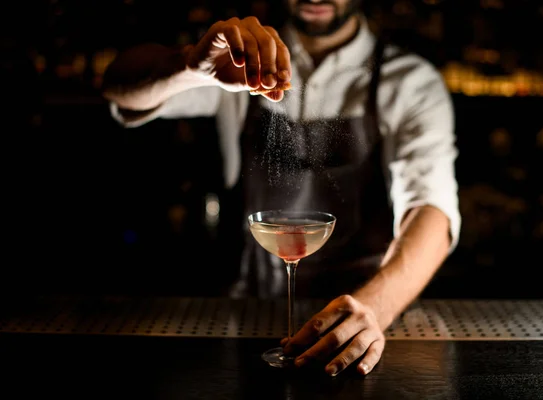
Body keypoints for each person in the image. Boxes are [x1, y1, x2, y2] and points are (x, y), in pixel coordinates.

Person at [102, 0, 460, 378]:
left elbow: (431, 210)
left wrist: (375, 308)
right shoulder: (239, 61)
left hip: (366, 323)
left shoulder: (409, 80)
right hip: (247, 314)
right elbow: (118, 87)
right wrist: (190, 66)